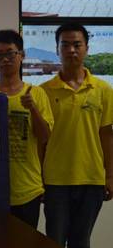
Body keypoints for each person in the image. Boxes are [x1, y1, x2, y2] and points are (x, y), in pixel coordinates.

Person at [41, 23, 113, 248]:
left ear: (86, 49)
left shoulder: (103, 90)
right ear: (57, 49)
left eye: (77, 45)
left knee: (81, 241)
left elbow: (107, 135)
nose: (71, 50)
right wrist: (38, 178)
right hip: (55, 180)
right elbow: (40, 140)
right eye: (65, 45)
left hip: (92, 179)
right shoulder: (43, 91)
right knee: (54, 239)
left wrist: (110, 175)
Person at [0, 29, 53, 228]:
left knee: (25, 241)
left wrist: (32, 108)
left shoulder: (37, 93)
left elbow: (44, 137)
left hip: (27, 188)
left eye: (10, 53)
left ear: (21, 55)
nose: (5, 59)